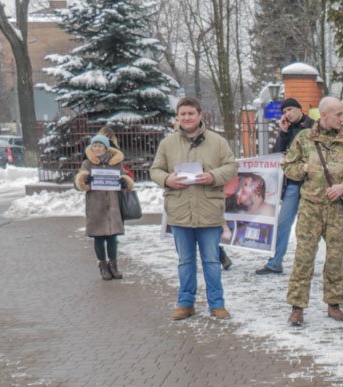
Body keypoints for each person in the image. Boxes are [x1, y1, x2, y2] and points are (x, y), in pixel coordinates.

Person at [282, 96, 343, 326]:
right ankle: (297, 307)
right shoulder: (304, 138)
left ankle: (334, 303)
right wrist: (303, 168)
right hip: (310, 208)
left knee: (335, 259)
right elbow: (287, 166)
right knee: (303, 258)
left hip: (337, 210)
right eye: (338, 114)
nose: (342, 118)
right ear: (324, 115)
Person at [150, 97, 237, 320]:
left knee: (211, 261)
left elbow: (231, 166)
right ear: (177, 117)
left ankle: (217, 304)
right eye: (183, 114)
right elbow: (155, 170)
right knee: (185, 262)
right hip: (180, 211)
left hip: (209, 211)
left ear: (200, 115)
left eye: (191, 113)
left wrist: (212, 176)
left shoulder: (217, 142)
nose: (187, 117)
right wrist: (167, 179)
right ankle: (185, 303)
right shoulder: (167, 143)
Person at [259, 97, 315, 275]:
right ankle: (275, 262)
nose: (287, 114)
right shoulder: (288, 130)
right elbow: (276, 155)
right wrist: (283, 133)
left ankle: (310, 264)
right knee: (283, 223)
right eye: (284, 112)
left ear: (300, 109)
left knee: (310, 227)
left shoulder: (314, 126)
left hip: (313, 184)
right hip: (292, 184)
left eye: (290, 109)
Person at [74, 133, 134, 281]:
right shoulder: (87, 163)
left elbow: (125, 178)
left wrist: (124, 182)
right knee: (99, 237)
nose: (97, 148)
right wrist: (85, 180)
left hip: (113, 205)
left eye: (100, 146)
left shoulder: (116, 163)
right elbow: (79, 184)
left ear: (106, 148)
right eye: (94, 145)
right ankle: (102, 265)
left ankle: (113, 265)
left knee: (112, 237)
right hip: (96, 205)